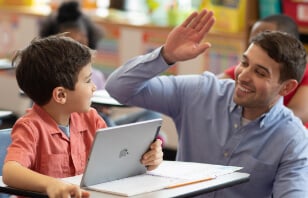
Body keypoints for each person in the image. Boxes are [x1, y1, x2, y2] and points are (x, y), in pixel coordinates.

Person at [105, 9, 308, 197]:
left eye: (260, 72)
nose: (243, 76)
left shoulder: (293, 139)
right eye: (244, 63)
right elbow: (118, 88)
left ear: (286, 88)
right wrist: (166, 55)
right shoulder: (201, 92)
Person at [2, 35, 163, 198]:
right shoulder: (30, 127)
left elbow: (115, 162)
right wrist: (50, 184)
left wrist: (147, 160)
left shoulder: (91, 119)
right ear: (60, 94)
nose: (94, 87)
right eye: (87, 81)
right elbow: (10, 172)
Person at [39, 1, 164, 131]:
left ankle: (133, 142)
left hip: (100, 123)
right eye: (71, 43)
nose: (78, 49)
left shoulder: (96, 75)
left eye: (82, 42)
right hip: (78, 127)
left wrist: (104, 109)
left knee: (152, 115)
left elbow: (106, 105)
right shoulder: (52, 78)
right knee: (104, 121)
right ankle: (128, 145)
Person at [218, 14, 308, 128]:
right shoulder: (247, 68)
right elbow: (213, 89)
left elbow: (299, 113)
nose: (258, 46)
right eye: (254, 41)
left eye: (268, 42)